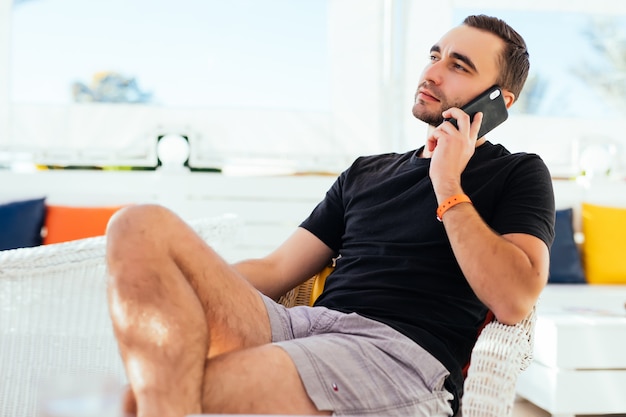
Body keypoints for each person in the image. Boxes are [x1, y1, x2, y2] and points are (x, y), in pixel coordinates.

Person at [105, 14, 555, 417]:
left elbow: (514, 299)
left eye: (459, 66)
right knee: (138, 223)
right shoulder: (366, 171)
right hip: (306, 328)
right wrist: (191, 288)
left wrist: (448, 184)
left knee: (143, 401)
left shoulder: (518, 172)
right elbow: (277, 269)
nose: (432, 73)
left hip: (396, 357)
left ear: (499, 102)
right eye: (434, 55)